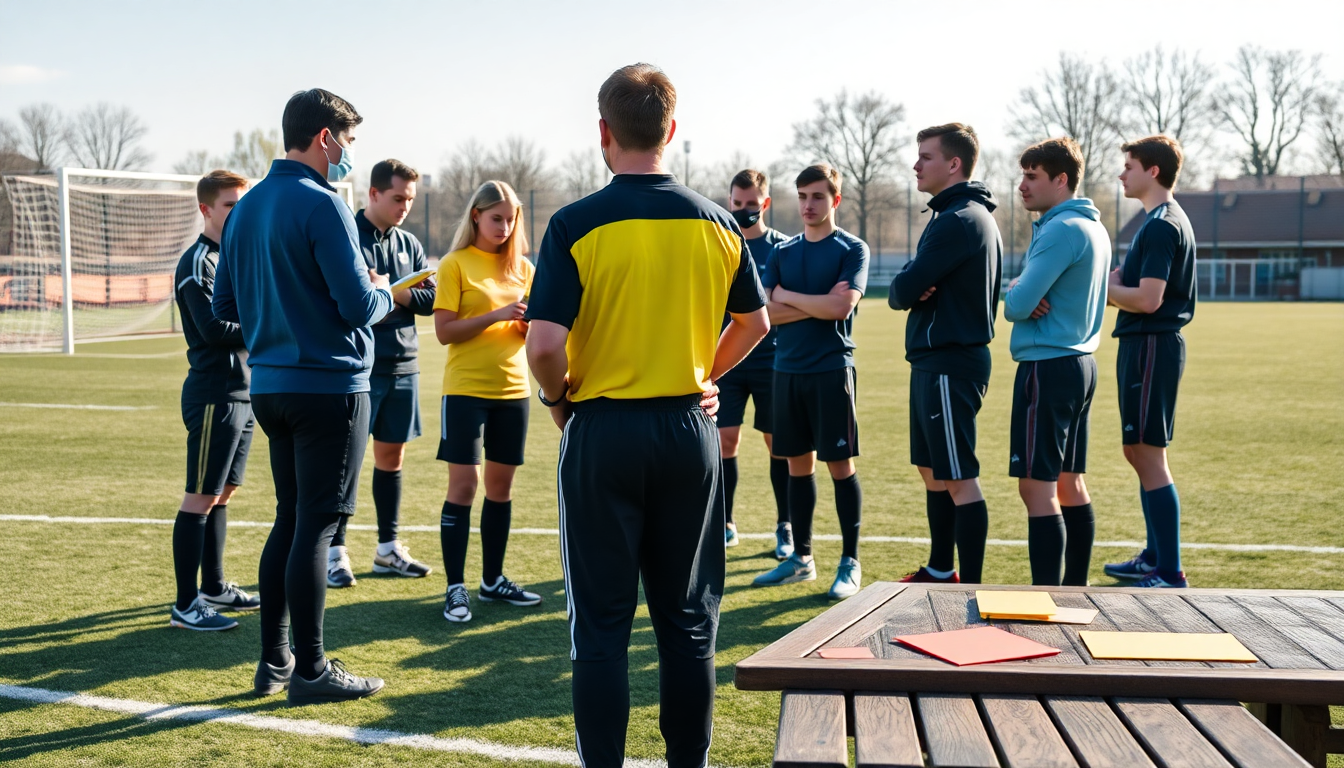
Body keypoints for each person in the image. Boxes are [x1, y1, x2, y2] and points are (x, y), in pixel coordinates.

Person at [525, 63, 768, 768]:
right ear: (671, 130)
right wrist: (704, 375)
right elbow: (754, 325)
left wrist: (558, 399)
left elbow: (543, 346)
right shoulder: (720, 223)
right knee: (689, 623)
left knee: (599, 629)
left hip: (601, 429)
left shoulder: (575, 222)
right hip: (688, 435)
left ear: (604, 132)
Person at [214, 88, 396, 705]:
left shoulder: (247, 207)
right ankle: (312, 671)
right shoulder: (324, 204)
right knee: (316, 526)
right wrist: (387, 292)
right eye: (346, 140)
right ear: (325, 137)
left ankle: (276, 662)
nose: (348, 152)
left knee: (290, 520)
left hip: (270, 387)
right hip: (328, 385)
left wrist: (281, 317)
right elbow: (357, 306)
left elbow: (225, 308)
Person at [888, 123, 1002, 585]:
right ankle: (940, 570)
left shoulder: (960, 219)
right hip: (934, 363)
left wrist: (911, 286)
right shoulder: (952, 215)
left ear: (953, 164)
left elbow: (900, 291)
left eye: (926, 156)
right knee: (933, 470)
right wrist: (912, 286)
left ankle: (968, 588)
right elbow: (908, 288)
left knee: (957, 476)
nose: (916, 165)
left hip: (951, 364)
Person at [750, 163, 869, 600]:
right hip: (787, 370)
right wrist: (818, 303)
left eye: (817, 196)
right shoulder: (784, 251)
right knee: (797, 465)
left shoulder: (852, 249)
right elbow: (767, 315)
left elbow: (841, 309)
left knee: (840, 467)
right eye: (802, 196)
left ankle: (850, 561)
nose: (808, 205)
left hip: (831, 371)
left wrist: (788, 297)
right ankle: (801, 559)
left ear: (834, 200)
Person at [1003, 138, 1110, 586]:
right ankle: (1076, 592)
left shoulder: (1061, 228)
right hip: (1080, 364)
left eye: (1032, 176)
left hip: (1047, 368)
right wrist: (1024, 290)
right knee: (1069, 483)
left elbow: (1017, 305)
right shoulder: (1092, 226)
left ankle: (1045, 599)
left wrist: (1015, 290)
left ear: (1060, 179)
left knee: (1036, 487)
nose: (1022, 185)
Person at [432, 180, 540, 623]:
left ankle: (492, 580)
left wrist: (527, 325)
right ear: (476, 215)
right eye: (496, 217)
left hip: (513, 392)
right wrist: (496, 314)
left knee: (501, 489)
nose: (504, 226)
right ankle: (455, 588)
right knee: (464, 487)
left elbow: (532, 334)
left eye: (511, 218)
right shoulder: (454, 264)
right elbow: (444, 332)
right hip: (464, 392)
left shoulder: (525, 270)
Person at [327, 159, 435, 588]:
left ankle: (388, 549)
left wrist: (388, 292)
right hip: (360, 368)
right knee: (344, 462)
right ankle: (334, 553)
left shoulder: (409, 242)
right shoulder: (348, 236)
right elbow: (352, 303)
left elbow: (431, 300)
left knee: (392, 458)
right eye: (397, 197)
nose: (405, 205)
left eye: (410, 198)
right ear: (373, 194)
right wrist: (392, 296)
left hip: (404, 364)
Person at [1102, 135, 1197, 589]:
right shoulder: (1154, 222)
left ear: (1152, 171)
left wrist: (1099, 292)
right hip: (1143, 346)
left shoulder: (1162, 225)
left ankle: (1169, 570)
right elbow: (1125, 280)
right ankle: (1155, 557)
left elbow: (1146, 298)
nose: (1122, 174)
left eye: (1129, 166)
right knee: (1137, 450)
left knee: (1148, 454)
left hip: (1152, 346)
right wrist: (1113, 284)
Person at [168, 170, 261, 631]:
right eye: (229, 205)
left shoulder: (238, 257)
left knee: (223, 493)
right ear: (206, 209)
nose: (238, 213)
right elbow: (214, 331)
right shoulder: (197, 262)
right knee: (200, 497)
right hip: (213, 395)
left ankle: (214, 587)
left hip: (244, 393)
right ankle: (186, 605)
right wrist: (270, 327)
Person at [718, 169, 792, 557]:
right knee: (724, 440)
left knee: (777, 444)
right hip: (727, 359)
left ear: (765, 203)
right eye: (737, 203)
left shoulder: (782, 247)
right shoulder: (721, 242)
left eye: (752, 204)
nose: (744, 210)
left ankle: (785, 524)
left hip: (772, 360)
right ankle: (725, 522)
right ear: (729, 201)